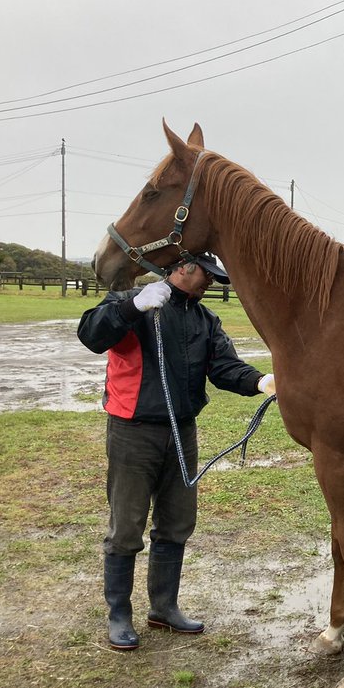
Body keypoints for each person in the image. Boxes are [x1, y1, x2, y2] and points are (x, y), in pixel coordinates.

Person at [77, 254, 275, 650]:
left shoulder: (205, 320)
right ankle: (119, 615)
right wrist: (132, 307)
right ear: (183, 267)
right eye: (207, 275)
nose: (211, 283)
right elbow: (92, 335)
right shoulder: (132, 302)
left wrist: (262, 381)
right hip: (133, 431)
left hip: (181, 431)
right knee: (126, 528)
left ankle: (163, 608)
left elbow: (224, 368)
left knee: (176, 524)